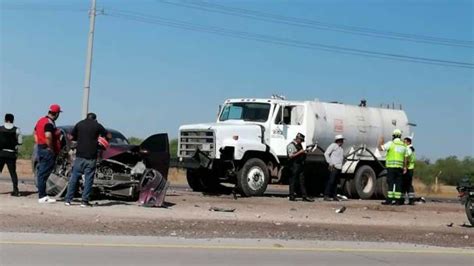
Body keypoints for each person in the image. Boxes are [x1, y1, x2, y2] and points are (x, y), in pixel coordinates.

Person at [64, 113, 107, 207]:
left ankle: (68, 200)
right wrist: (103, 140)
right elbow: (109, 136)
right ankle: (84, 201)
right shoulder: (98, 125)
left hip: (79, 157)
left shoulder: (79, 124)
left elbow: (71, 137)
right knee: (88, 180)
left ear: (86, 117)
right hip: (91, 157)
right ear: (95, 119)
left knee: (74, 178)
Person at [34, 104, 62, 203]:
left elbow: (35, 133)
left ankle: (43, 195)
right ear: (57, 113)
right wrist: (51, 148)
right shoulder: (49, 123)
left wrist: (39, 144)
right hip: (47, 150)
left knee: (42, 173)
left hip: (41, 148)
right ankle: (42, 196)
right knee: (43, 174)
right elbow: (48, 136)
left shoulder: (40, 121)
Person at [378, 129, 408, 205]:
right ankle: (397, 201)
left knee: (391, 183)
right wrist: (405, 167)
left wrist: (381, 141)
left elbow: (380, 148)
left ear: (393, 136)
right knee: (398, 184)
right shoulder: (404, 145)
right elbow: (406, 157)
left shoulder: (391, 143)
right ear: (400, 136)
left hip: (391, 167)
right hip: (400, 168)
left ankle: (389, 200)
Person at [287, 133, 314, 202]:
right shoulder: (291, 145)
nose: (301, 142)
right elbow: (291, 156)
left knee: (302, 181)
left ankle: (304, 196)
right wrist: (300, 152)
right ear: (298, 139)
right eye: (301, 140)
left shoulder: (299, 145)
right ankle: (291, 196)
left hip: (300, 165)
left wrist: (305, 152)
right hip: (294, 165)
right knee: (293, 181)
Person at [0, 113, 22, 196]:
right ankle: (16, 191)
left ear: (5, 119)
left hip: (1, 153)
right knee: (13, 173)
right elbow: (20, 142)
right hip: (11, 154)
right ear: (13, 120)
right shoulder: (17, 130)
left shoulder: (0, 129)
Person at [323, 135, 345, 201]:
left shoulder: (341, 148)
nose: (342, 141)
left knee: (336, 182)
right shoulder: (333, 145)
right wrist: (330, 162)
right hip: (333, 166)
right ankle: (326, 195)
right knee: (331, 181)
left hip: (339, 167)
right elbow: (326, 153)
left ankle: (334, 196)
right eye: (341, 140)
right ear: (338, 140)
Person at [402, 136, 416, 205]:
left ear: (409, 142)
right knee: (408, 184)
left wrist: (405, 167)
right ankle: (411, 200)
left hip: (408, 168)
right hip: (411, 168)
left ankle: (405, 200)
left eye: (405, 142)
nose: (404, 143)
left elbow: (407, 158)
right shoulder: (412, 149)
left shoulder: (408, 148)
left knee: (405, 184)